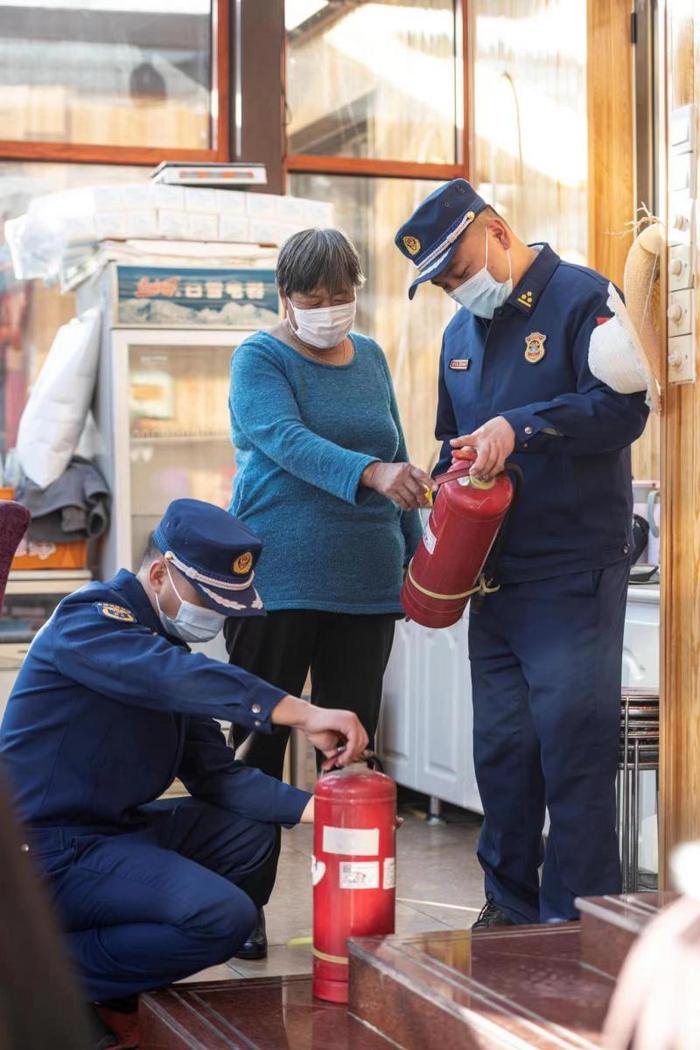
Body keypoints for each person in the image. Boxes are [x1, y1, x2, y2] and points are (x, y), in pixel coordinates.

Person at [0, 498, 367, 1042]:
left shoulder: (167, 646)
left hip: (112, 833)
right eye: (209, 601)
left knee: (249, 834)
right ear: (157, 573)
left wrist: (324, 810)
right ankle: (36, 974)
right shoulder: (89, 619)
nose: (215, 619)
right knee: (223, 918)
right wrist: (302, 711)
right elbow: (168, 677)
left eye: (227, 606)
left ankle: (115, 981)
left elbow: (217, 776)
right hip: (45, 851)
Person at [395, 180, 649, 927]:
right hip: (493, 585)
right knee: (503, 756)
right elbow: (454, 445)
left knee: (573, 755)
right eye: (438, 281)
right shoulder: (457, 340)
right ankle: (507, 908)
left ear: (496, 231)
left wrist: (522, 427)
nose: (451, 287)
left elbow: (622, 411)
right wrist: (443, 483)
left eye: (454, 266)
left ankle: (578, 923)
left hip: (572, 572)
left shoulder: (582, 298)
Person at [225, 230, 430, 778]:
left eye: (340, 297)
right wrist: (371, 471)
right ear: (283, 294)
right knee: (254, 751)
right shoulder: (259, 358)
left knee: (349, 753)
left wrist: (418, 556)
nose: (329, 310)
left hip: (365, 581)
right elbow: (286, 439)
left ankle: (348, 863)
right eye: (313, 301)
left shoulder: (370, 357)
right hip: (278, 581)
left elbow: (396, 452)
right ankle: (243, 864)